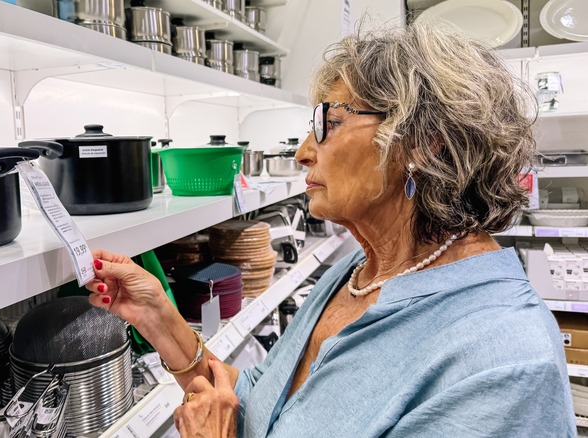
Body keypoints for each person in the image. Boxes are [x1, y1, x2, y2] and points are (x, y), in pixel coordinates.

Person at [86, 20, 577, 437]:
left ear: (426, 143)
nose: (302, 151)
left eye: (330, 123)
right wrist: (157, 315)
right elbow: (261, 405)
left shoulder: (505, 360)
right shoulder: (354, 276)